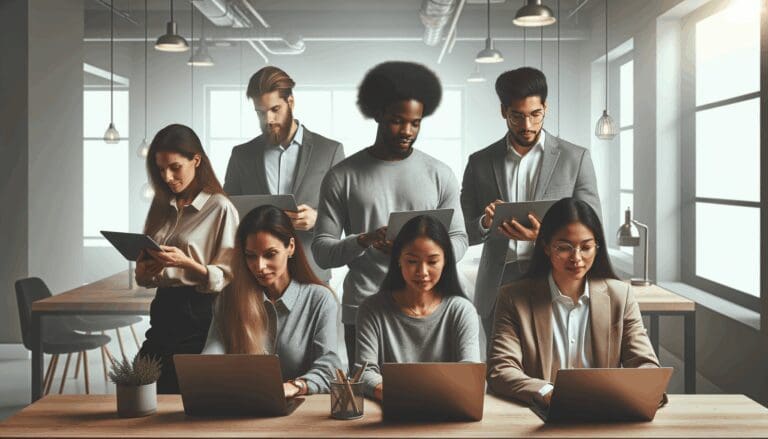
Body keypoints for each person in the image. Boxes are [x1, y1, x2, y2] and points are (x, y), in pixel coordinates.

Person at [312, 61, 469, 367]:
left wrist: (426, 251)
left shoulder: (439, 173)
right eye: (398, 121)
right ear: (378, 114)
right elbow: (322, 251)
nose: (407, 131)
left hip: (429, 309)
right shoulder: (342, 177)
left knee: (429, 399)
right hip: (363, 306)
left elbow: (460, 237)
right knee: (370, 400)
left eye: (416, 123)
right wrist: (364, 240)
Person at [460, 67, 602, 342]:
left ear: (545, 108)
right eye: (517, 116)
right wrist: (485, 222)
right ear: (504, 111)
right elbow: (462, 232)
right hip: (498, 283)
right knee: (501, 369)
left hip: (556, 276)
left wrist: (546, 236)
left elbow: (593, 226)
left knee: (554, 367)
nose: (527, 125)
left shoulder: (576, 158)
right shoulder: (480, 162)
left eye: (535, 115)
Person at [486, 198, 661, 407]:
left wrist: (629, 389)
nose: (576, 258)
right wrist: (546, 391)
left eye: (586, 247)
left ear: (597, 248)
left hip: (603, 413)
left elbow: (645, 364)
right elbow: (501, 369)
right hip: (539, 414)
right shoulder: (513, 298)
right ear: (546, 247)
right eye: (565, 247)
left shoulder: (620, 296)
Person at [135, 124, 239, 394]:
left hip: (200, 312)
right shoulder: (162, 206)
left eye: (175, 167)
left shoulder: (220, 207)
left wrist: (188, 264)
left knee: (180, 393)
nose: (168, 177)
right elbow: (151, 276)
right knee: (140, 382)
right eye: (160, 169)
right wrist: (144, 272)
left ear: (196, 160)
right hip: (163, 308)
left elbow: (229, 274)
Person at [201, 205, 344, 397]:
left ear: (290, 247)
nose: (259, 266)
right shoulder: (229, 298)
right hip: (242, 410)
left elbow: (329, 370)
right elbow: (212, 355)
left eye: (270, 254)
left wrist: (295, 386)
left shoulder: (320, 300)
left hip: (300, 414)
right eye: (251, 256)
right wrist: (202, 374)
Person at [224, 66, 345, 282]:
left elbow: (345, 215)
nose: (268, 119)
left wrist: (318, 219)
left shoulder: (330, 151)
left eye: (274, 109)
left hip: (311, 274)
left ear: (291, 102)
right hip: (256, 276)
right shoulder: (241, 155)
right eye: (260, 113)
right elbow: (227, 215)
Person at [355, 215, 480, 400]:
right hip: (391, 410)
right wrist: (397, 395)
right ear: (398, 259)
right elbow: (364, 373)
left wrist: (424, 396)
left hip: (447, 411)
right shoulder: (372, 310)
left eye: (432, 261)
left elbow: (471, 370)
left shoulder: (461, 310)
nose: (422, 272)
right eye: (412, 261)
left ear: (445, 261)